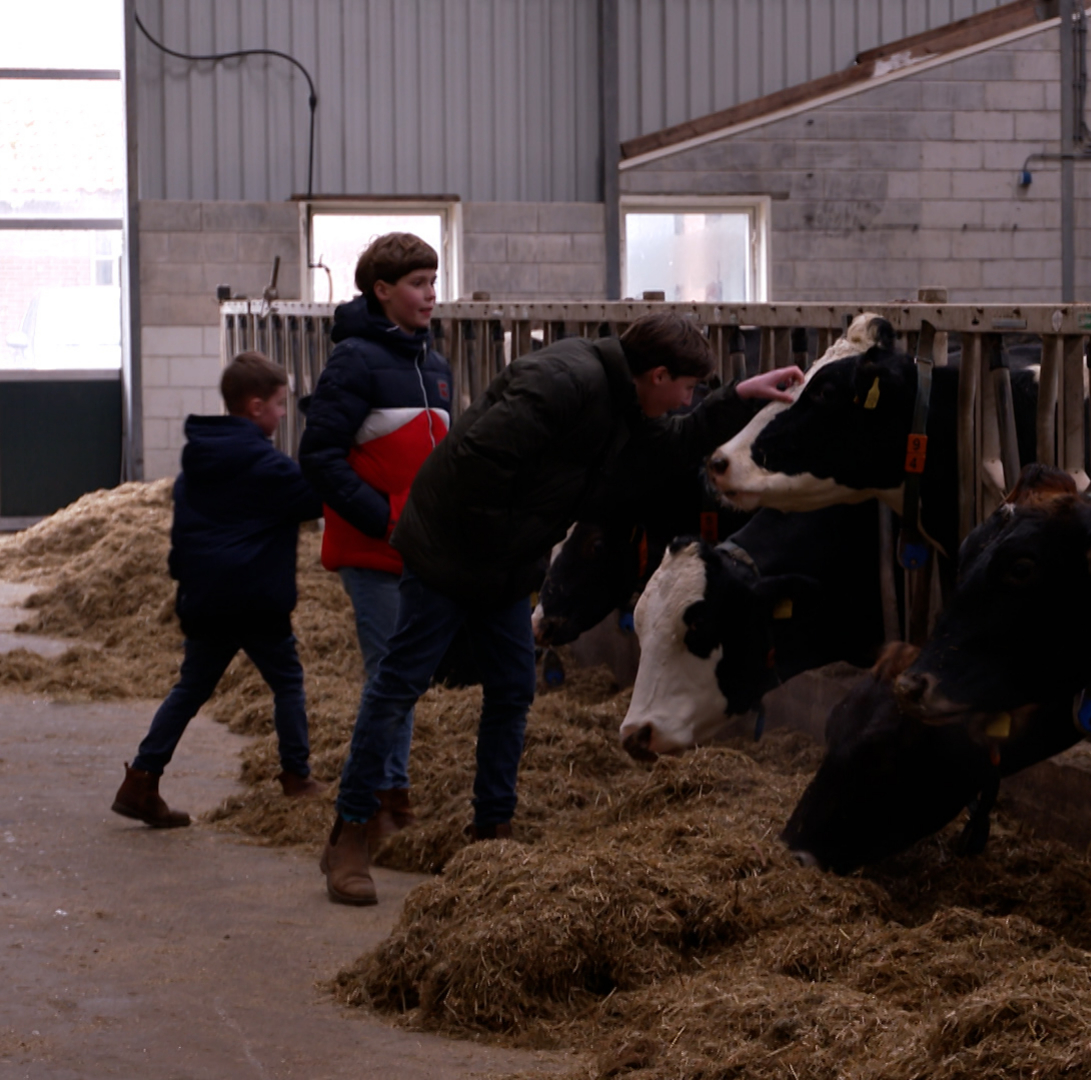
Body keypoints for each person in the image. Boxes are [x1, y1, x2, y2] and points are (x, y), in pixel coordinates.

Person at [318, 313, 802, 904]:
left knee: (513, 690)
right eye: (689, 387)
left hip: (504, 561)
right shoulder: (561, 381)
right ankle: (351, 832)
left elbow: (667, 448)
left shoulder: (625, 403)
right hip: (449, 550)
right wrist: (532, 528)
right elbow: (478, 459)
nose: (688, 399)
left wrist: (736, 401)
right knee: (398, 685)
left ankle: (492, 831)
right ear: (655, 375)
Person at [112, 352, 325, 827]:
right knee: (288, 683)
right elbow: (315, 496)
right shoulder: (265, 465)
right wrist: (324, 440)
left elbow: (182, 532)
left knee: (190, 690)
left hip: (206, 599)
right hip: (256, 601)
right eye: (279, 403)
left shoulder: (197, 463)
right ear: (255, 407)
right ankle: (296, 776)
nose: (283, 413)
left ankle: (142, 779)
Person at [297, 232, 452, 839]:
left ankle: (392, 787)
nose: (430, 296)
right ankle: (380, 799)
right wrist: (386, 518)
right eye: (418, 284)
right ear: (382, 291)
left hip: (422, 551)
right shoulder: (355, 361)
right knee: (391, 673)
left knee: (405, 674)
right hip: (374, 547)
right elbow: (319, 457)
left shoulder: (432, 365)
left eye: (434, 282)